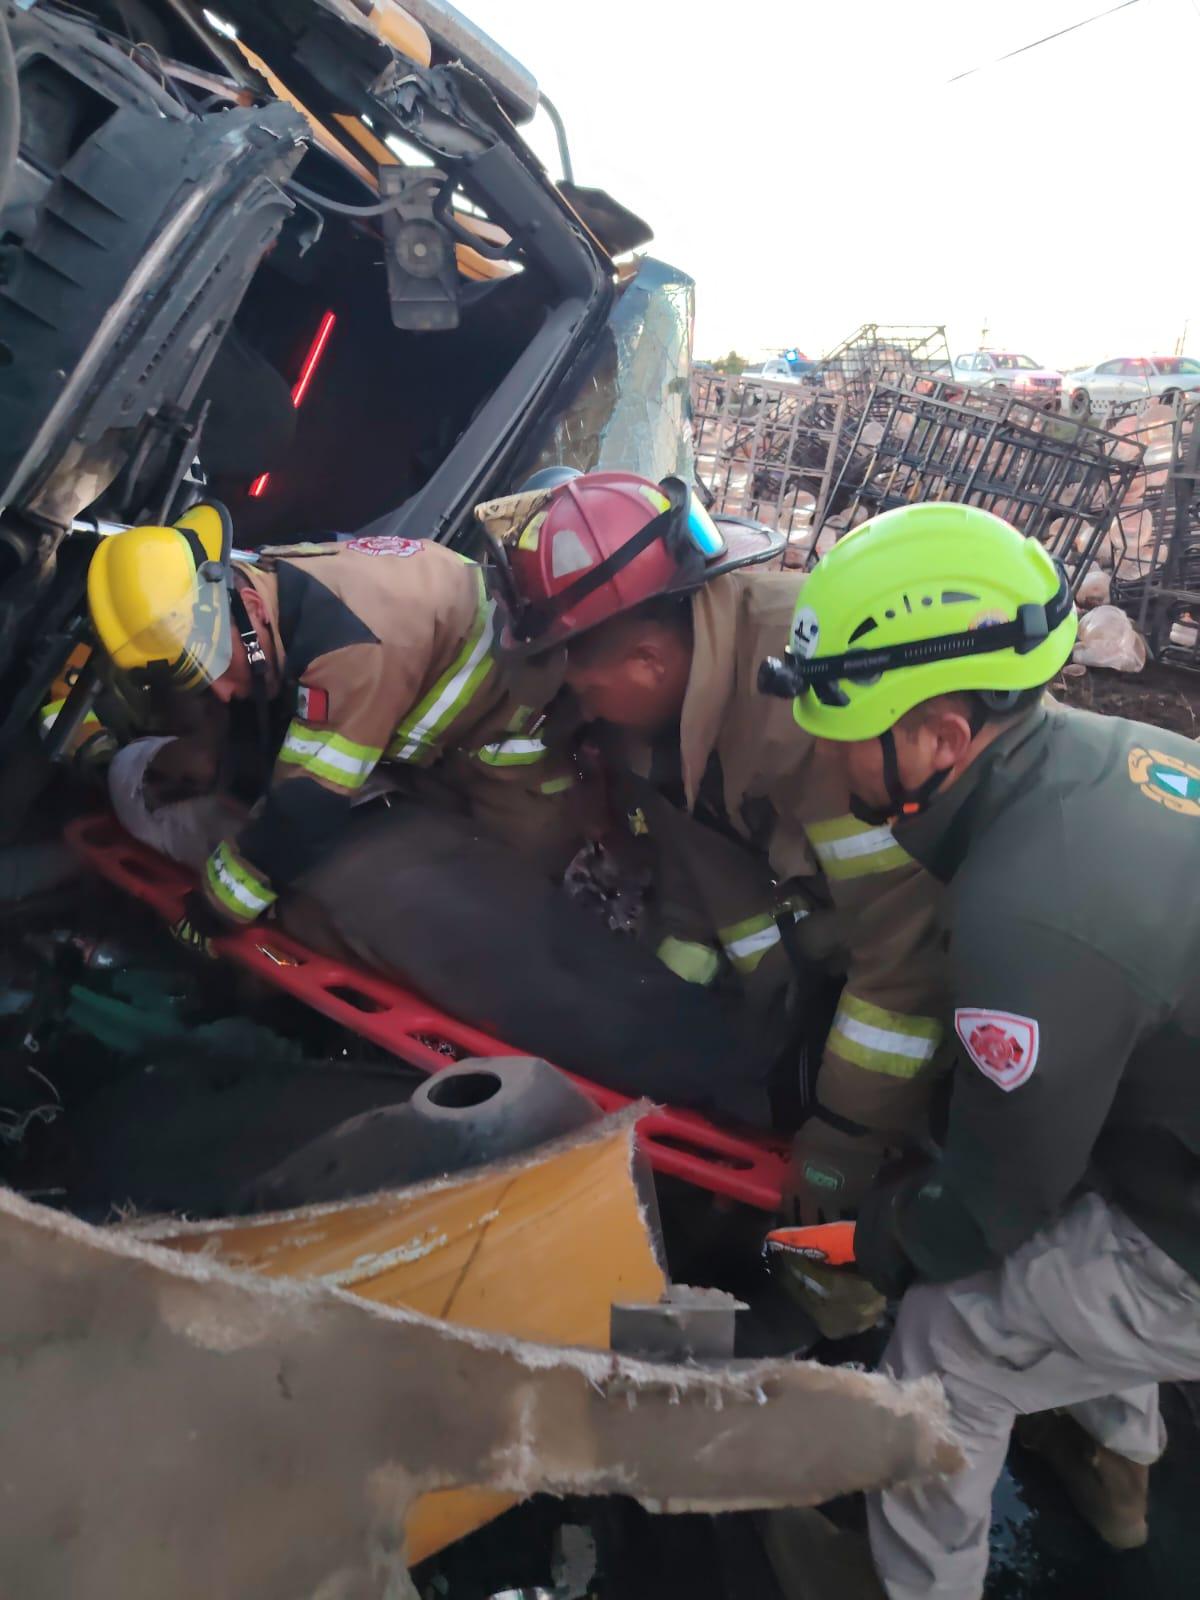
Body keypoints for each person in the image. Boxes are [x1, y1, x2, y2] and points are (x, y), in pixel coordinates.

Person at [762, 500, 1200, 1596]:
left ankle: (909, 1580)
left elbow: (989, 1215)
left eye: (843, 733)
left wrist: (873, 1232)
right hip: (1168, 1141)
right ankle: (1112, 1465)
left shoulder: (1030, 911)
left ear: (943, 735)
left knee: (946, 1334)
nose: (825, 760)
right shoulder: (1125, 756)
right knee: (1073, 1238)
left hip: (1185, 1229)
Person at [85, 497, 776, 1123]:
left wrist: (208, 913)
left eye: (214, 667)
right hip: (440, 777)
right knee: (524, 945)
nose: (229, 691)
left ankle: (726, 1063)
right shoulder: (284, 578)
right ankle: (727, 1059)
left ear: (225, 607)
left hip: (508, 745)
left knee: (537, 934)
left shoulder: (351, 646)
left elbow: (301, 813)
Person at [481, 468, 947, 1335]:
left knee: (924, 1191)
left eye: (581, 687)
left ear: (648, 659)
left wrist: (844, 1135)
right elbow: (716, 893)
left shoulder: (808, 705)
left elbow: (906, 954)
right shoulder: (673, 715)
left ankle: (865, 1331)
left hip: (965, 980)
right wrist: (670, 1025)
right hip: (864, 950)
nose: (576, 712)